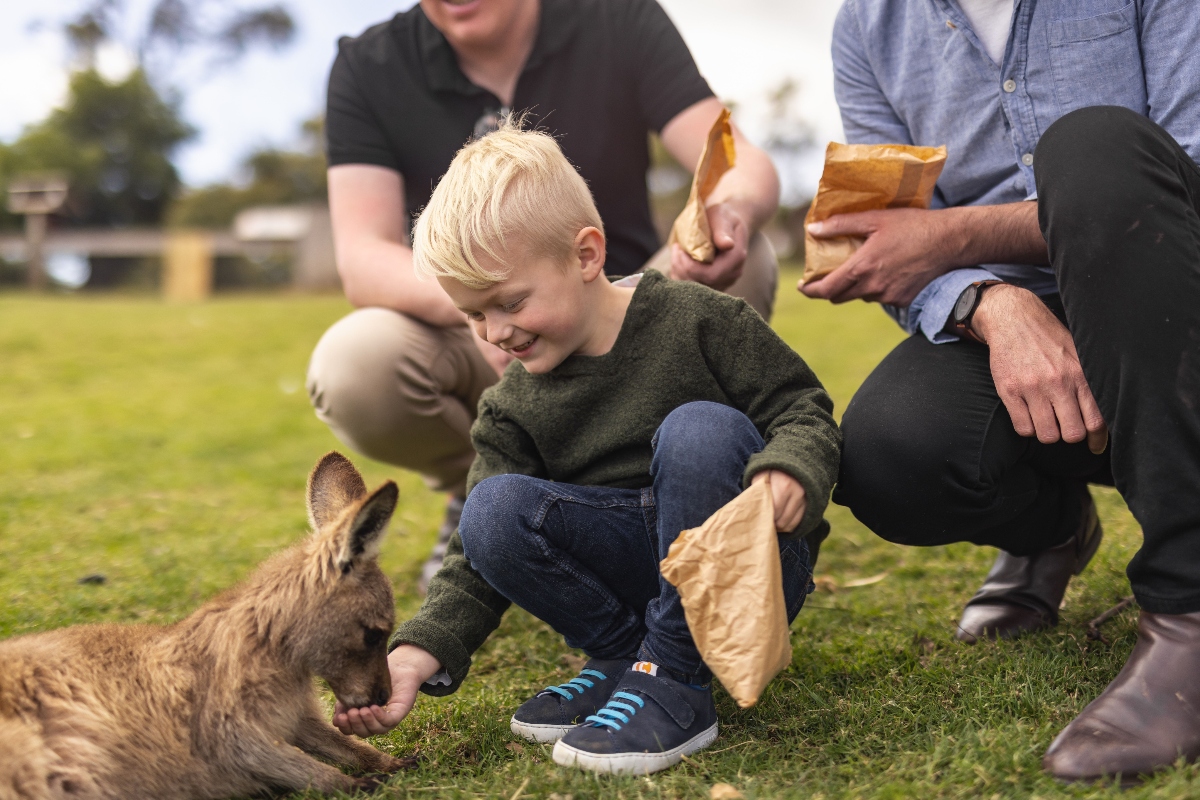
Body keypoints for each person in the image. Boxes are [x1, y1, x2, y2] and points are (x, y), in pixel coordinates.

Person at [329, 123, 841, 774]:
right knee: (488, 507)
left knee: (701, 429)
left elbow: (804, 409)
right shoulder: (511, 405)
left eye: (510, 301)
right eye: (473, 314)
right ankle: (630, 657)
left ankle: (676, 678)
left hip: (746, 570)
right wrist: (415, 653)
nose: (496, 332)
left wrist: (789, 468)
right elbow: (473, 560)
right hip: (633, 579)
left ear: (587, 255)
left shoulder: (702, 320)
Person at [805, 0, 1200, 782]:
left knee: (1091, 147)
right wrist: (990, 303)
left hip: (1172, 292)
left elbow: (1184, 177)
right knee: (890, 452)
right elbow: (889, 246)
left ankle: (1189, 609)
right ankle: (1051, 530)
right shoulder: (868, 27)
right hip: (1014, 314)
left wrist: (957, 236)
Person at [306, 0, 782, 588]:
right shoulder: (370, 64)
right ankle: (487, 489)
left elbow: (739, 161)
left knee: (746, 255)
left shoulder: (619, 18)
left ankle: (671, 486)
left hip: (630, 323)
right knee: (353, 363)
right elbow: (362, 254)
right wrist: (490, 310)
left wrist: (728, 211)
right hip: (485, 352)